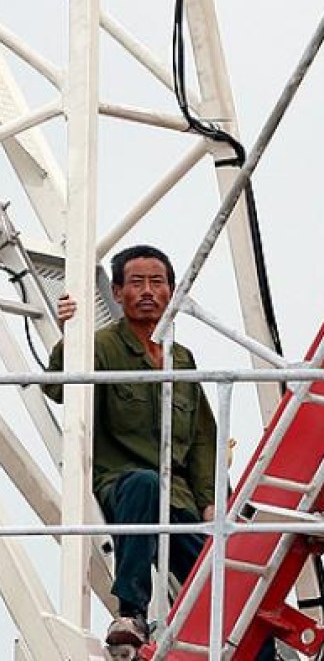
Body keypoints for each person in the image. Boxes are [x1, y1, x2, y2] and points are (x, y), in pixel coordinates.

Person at [44, 245, 274, 658]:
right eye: (137, 283)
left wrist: (210, 502)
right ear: (117, 293)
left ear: (171, 290)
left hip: (179, 501)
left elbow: (203, 438)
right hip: (125, 488)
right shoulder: (100, 347)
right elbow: (59, 387)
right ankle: (131, 613)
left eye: (157, 282)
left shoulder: (181, 359)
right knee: (146, 484)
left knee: (235, 592)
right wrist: (69, 336)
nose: (148, 291)